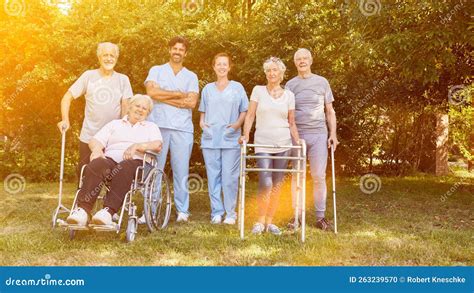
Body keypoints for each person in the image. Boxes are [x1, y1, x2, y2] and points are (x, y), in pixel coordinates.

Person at [66, 94, 163, 227]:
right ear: (129, 107)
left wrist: (138, 146)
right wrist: (97, 150)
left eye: (144, 108)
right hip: (111, 161)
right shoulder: (114, 124)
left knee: (124, 167)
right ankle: (83, 210)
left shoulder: (150, 127)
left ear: (148, 112)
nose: (140, 109)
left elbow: (157, 145)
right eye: (137, 106)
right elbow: (95, 140)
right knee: (97, 164)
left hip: (137, 164)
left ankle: (107, 212)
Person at [240, 57, 300, 235]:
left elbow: (292, 122)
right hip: (262, 143)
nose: (272, 73)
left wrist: (298, 140)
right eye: (269, 70)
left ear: (281, 74)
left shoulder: (289, 95)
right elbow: (250, 115)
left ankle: (270, 222)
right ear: (266, 73)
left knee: (277, 184)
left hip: (283, 143)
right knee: (265, 181)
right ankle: (260, 221)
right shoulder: (258, 91)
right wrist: (245, 135)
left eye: (275, 70)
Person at [57, 42, 133, 177]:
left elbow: (125, 107)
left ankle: (109, 198)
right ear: (99, 57)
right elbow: (67, 97)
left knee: (113, 175)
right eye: (105, 55)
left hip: (111, 139)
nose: (109, 58)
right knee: (85, 174)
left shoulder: (123, 79)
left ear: (116, 58)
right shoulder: (88, 76)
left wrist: (123, 133)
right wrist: (65, 120)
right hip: (89, 135)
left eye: (112, 55)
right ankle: (82, 198)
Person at [144, 36, 199, 222]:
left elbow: (191, 102)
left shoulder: (191, 76)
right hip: (157, 127)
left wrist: (163, 96)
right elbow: (151, 93)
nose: (177, 52)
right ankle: (150, 207)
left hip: (182, 128)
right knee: (153, 168)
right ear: (169, 50)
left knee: (181, 169)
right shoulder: (156, 70)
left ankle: (182, 210)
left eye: (181, 49)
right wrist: (177, 94)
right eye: (174, 48)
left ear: (186, 53)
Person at [285, 48, 339, 231]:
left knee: (318, 176)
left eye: (305, 58)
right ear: (295, 63)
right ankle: (296, 216)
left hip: (319, 134)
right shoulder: (290, 85)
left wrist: (333, 134)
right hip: (297, 135)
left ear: (311, 60)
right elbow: (287, 114)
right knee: (296, 175)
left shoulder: (322, 82)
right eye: (298, 59)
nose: (302, 61)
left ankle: (320, 217)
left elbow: (330, 111)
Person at [199, 53, 248, 225]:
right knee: (213, 177)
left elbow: (244, 111)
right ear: (214, 67)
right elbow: (202, 114)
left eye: (224, 64)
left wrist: (236, 125)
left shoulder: (237, 88)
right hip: (211, 139)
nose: (221, 67)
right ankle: (217, 212)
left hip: (230, 138)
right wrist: (203, 125)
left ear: (229, 67)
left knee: (229, 177)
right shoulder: (207, 89)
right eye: (218, 64)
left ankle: (230, 214)